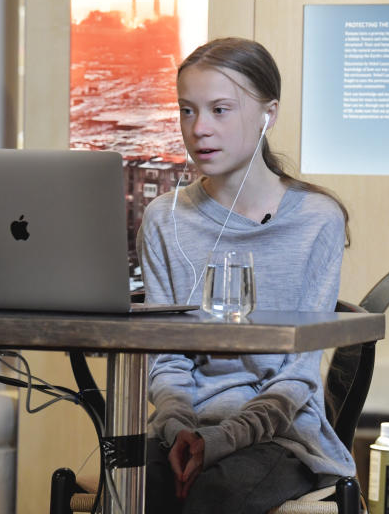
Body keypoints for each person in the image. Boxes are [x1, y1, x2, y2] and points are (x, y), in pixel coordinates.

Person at [136, 38, 355, 514]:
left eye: (220, 110)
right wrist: (181, 432)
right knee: (133, 494)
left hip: (281, 433)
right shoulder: (163, 219)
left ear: (267, 114)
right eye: (187, 111)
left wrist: (221, 440)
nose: (200, 129)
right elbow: (167, 361)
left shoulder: (318, 219)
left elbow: (298, 374)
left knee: (214, 497)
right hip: (182, 428)